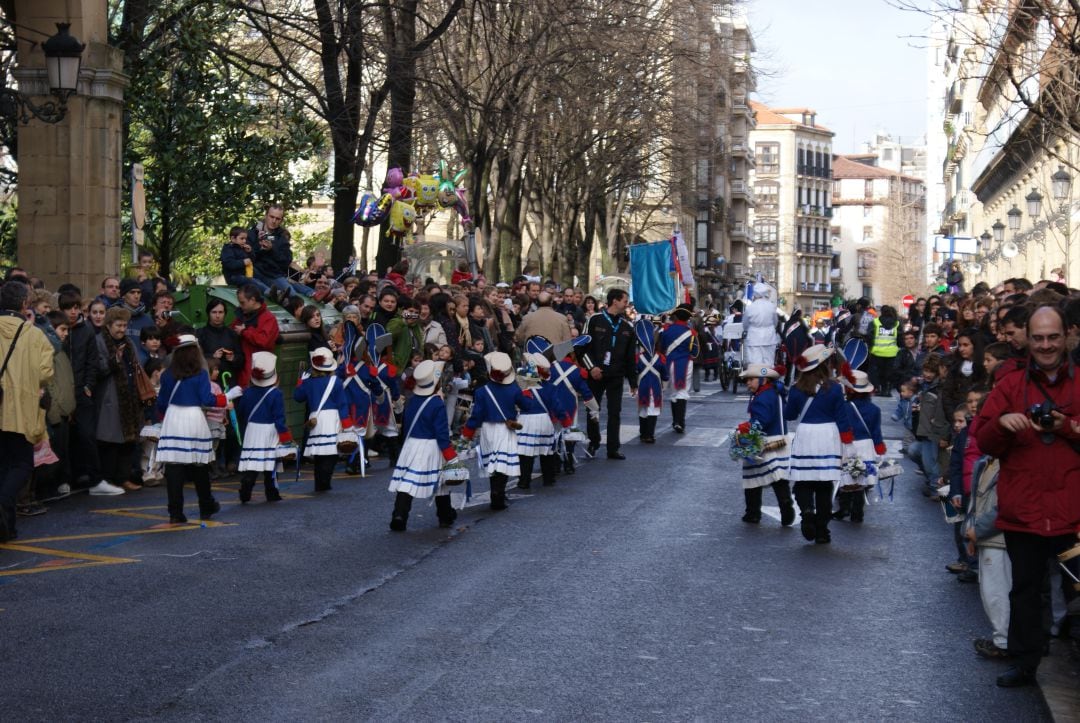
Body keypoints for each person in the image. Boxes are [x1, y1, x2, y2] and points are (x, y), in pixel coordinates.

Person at [974, 305, 1080, 688]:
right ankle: (1024, 661)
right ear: (1028, 340)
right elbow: (982, 439)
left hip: (1072, 509)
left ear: (1067, 334)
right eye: (1038, 337)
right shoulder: (1010, 385)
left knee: (1078, 594)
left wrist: (1067, 426)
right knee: (1025, 592)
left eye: (1053, 336)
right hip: (1024, 508)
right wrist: (1002, 424)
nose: (1046, 345)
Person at [156, 334, 233, 523]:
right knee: (200, 465)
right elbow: (207, 399)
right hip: (194, 417)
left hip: (174, 417)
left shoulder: (167, 375)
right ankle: (205, 505)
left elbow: (162, 402)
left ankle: (175, 512)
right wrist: (225, 399)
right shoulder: (200, 374)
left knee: (174, 467)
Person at [0, 281, 54, 541]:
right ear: (24, 305)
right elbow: (46, 373)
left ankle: (7, 527)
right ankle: (4, 505)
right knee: (21, 464)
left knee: (2, 467)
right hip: (21, 410)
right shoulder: (34, 335)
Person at [785, 345, 854, 545]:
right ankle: (823, 529)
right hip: (828, 436)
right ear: (825, 366)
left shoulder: (797, 388)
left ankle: (807, 512)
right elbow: (842, 418)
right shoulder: (834, 388)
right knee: (825, 484)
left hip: (806, 434)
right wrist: (848, 443)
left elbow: (789, 415)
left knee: (803, 481)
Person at [388, 360, 462, 531]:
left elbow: (406, 426)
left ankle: (399, 515)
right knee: (441, 483)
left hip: (412, 443)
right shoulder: (436, 403)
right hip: (430, 445)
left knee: (407, 482)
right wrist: (452, 457)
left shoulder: (412, 400)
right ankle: (445, 516)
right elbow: (442, 435)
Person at [460, 351, 530, 511]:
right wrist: (526, 390)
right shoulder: (514, 389)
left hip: (487, 429)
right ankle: (498, 493)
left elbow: (476, 415)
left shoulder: (481, 391)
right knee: (503, 464)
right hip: (505, 428)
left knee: (492, 462)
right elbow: (527, 406)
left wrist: (467, 434)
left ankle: (495, 493)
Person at [93, 307, 146, 494]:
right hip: (110, 397)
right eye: (118, 325)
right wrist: (114, 360)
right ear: (108, 325)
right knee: (110, 441)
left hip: (129, 397)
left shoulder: (129, 342)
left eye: (124, 325)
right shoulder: (99, 341)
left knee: (128, 441)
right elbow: (99, 369)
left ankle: (122, 478)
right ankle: (107, 479)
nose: (122, 329)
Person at [582, 289, 637, 460]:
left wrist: (633, 382)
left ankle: (613, 447)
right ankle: (593, 441)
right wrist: (591, 368)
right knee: (592, 409)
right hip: (596, 374)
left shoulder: (627, 327)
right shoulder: (594, 320)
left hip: (616, 375)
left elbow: (630, 357)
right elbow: (582, 346)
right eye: (625, 300)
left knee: (615, 411)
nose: (627, 304)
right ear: (615, 301)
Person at [737, 365, 794, 526]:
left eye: (751, 379)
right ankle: (786, 505)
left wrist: (744, 429)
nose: (748, 383)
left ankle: (753, 513)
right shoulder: (776, 393)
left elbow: (761, 421)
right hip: (781, 438)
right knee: (778, 477)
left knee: (752, 478)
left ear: (763, 379)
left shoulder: (762, 397)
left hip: (765, 441)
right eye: (747, 380)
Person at [294, 347, 353, 492]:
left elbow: (298, 397)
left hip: (316, 418)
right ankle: (325, 482)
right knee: (332, 453)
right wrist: (347, 424)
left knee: (319, 454)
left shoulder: (308, 382)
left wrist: (300, 380)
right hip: (332, 418)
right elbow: (342, 404)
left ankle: (319, 482)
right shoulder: (336, 381)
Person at [236, 352, 290, 504]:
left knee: (252, 463)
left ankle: (246, 489)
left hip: (252, 429)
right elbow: (279, 418)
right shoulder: (276, 394)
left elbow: (241, 412)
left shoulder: (247, 392)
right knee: (270, 463)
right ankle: (271, 492)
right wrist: (285, 436)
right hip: (270, 430)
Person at [833, 370, 886, 524]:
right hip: (866, 445)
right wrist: (880, 448)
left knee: (846, 477)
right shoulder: (875, 410)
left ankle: (844, 508)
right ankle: (858, 512)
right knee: (861, 479)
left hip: (848, 443)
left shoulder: (844, 407)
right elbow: (876, 432)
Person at [515, 353, 570, 490]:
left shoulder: (522, 382)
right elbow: (557, 407)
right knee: (546, 452)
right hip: (544, 420)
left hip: (526, 420)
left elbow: (521, 372)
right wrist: (565, 421)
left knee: (525, 453)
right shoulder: (550, 387)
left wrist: (530, 364)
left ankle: (524, 480)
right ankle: (548, 478)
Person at [249, 204, 312, 300]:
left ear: (281, 220)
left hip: (276, 275)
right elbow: (246, 256)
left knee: (294, 296)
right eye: (271, 217)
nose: (274, 221)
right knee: (292, 294)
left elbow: (287, 261)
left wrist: (272, 249)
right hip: (257, 275)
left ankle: (312, 293)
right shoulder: (252, 233)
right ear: (266, 216)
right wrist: (260, 248)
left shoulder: (282, 237)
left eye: (277, 219)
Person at [658, 306, 698, 434]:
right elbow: (695, 352)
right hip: (685, 363)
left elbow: (662, 347)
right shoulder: (691, 332)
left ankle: (675, 421)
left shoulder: (666, 330)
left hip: (669, 363)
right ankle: (680, 422)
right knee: (682, 391)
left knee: (673, 392)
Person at [231, 284, 280, 387]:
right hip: (244, 372)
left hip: (261, 373)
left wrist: (244, 332)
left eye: (242, 302)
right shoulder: (242, 316)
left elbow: (264, 341)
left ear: (253, 300)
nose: (240, 305)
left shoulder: (268, 318)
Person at [635, 318, 666, 444]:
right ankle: (649, 434)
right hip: (655, 387)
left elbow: (635, 370)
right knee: (653, 410)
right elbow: (665, 375)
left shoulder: (638, 358)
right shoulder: (660, 358)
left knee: (642, 410)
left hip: (642, 386)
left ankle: (643, 433)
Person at [221, 226, 268, 293]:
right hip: (233, 277)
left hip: (244, 274)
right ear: (233, 238)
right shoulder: (228, 249)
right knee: (252, 281)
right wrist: (243, 262)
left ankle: (275, 292)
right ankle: (268, 292)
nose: (244, 241)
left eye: (245, 239)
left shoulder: (243, 248)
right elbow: (229, 263)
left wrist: (250, 252)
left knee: (258, 278)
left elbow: (252, 261)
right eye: (242, 238)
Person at [743, 282, 779, 366]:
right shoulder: (771, 306)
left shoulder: (750, 308)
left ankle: (758, 378)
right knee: (769, 363)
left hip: (754, 339)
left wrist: (748, 330)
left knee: (755, 364)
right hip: (769, 338)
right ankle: (767, 378)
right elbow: (775, 322)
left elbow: (745, 324)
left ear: (754, 294)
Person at [867, 305, 900, 397]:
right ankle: (887, 390)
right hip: (892, 353)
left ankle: (879, 388)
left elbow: (869, 336)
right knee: (889, 373)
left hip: (877, 352)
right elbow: (900, 338)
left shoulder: (875, 322)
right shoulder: (897, 323)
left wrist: (871, 347)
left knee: (876, 372)